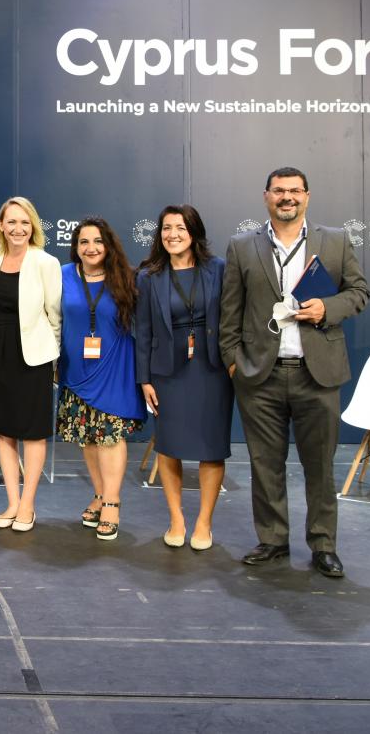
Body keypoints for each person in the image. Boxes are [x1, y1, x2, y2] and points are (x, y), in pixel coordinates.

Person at [220, 167, 369, 578]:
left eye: (295, 191)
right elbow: (229, 311)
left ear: (307, 196)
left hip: (317, 375)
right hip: (260, 377)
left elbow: (359, 292)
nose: (287, 197)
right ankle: (272, 540)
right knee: (265, 464)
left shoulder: (336, 241)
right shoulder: (242, 246)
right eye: (279, 191)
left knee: (320, 466)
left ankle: (323, 545)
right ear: (266, 196)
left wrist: (327, 308)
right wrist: (234, 362)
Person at [134, 205, 232, 551]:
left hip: (213, 370)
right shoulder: (148, 276)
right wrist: (144, 379)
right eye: (166, 228)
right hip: (167, 373)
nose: (172, 234)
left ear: (194, 232)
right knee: (169, 446)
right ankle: (176, 519)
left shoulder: (218, 269)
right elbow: (142, 331)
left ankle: (204, 522)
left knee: (212, 447)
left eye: (180, 228)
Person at [57, 217, 145, 541]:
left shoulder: (126, 277)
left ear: (108, 246)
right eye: (84, 242)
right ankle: (99, 493)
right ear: (75, 247)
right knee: (89, 437)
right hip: (75, 370)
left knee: (109, 436)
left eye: (97, 241)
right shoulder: (63, 275)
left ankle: (112, 502)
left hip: (114, 368)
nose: (91, 248)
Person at [0, 197, 61, 532]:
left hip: (33, 356)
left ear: (33, 227)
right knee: (4, 431)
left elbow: (55, 316)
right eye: (11, 222)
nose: (18, 228)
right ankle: (12, 502)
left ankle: (27, 505)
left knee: (33, 431)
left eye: (24, 222)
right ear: (1, 225)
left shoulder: (46, 262)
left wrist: (52, 356)